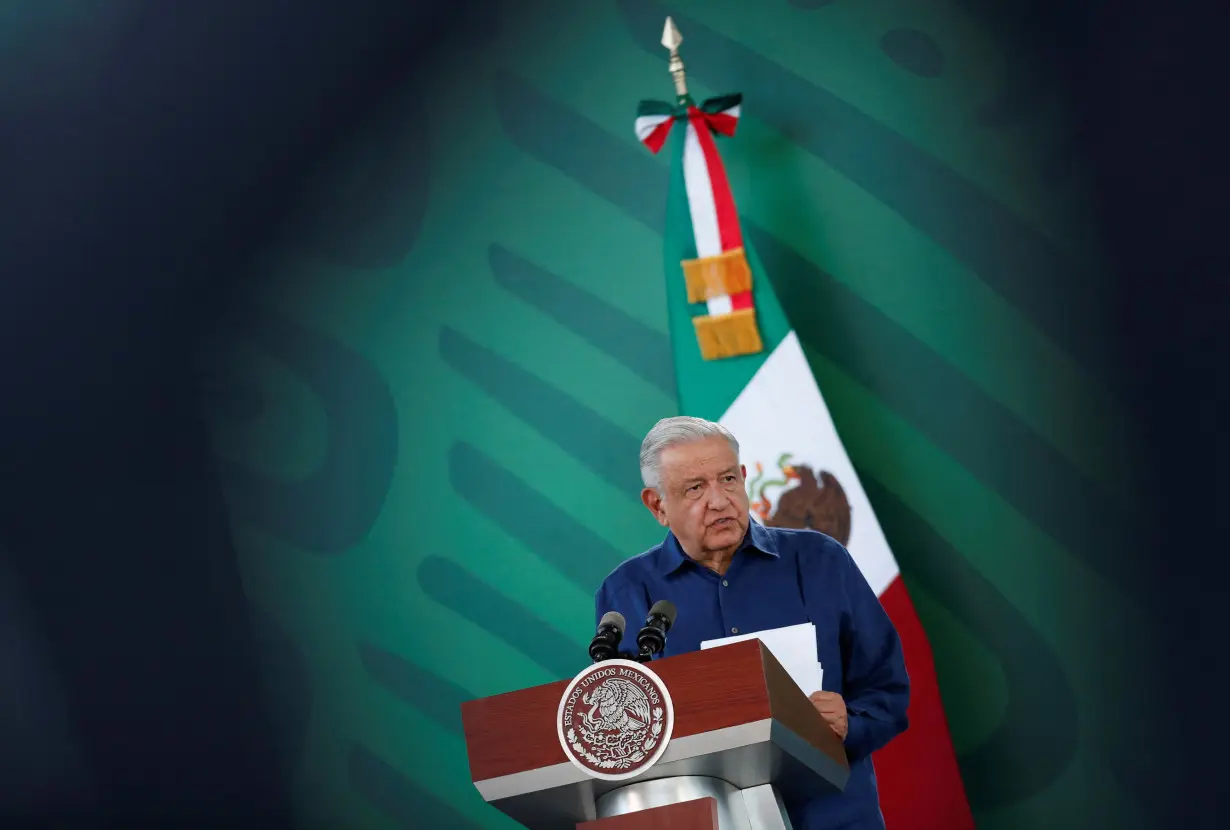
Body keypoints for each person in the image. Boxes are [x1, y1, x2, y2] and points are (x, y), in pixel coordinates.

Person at [595, 416, 909, 830]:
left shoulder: (820, 561)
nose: (720, 500)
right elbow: (619, 731)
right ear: (657, 506)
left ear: (744, 478)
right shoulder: (626, 591)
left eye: (727, 479)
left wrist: (851, 722)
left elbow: (887, 689)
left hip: (835, 818)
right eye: (695, 488)